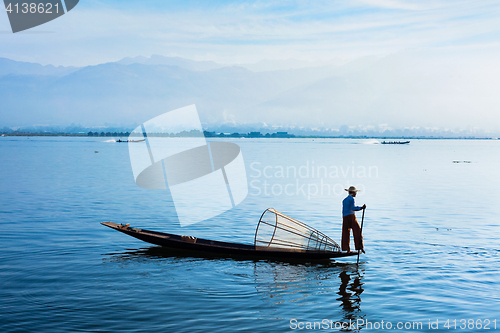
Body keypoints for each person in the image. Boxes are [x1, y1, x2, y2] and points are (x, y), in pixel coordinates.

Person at [342, 186, 366, 253]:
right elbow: (353, 208)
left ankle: (347, 249)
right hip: (351, 217)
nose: (356, 194)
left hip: (345, 217)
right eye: (355, 192)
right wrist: (361, 208)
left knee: (346, 233)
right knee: (358, 231)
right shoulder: (351, 199)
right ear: (352, 193)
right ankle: (360, 247)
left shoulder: (344, 200)